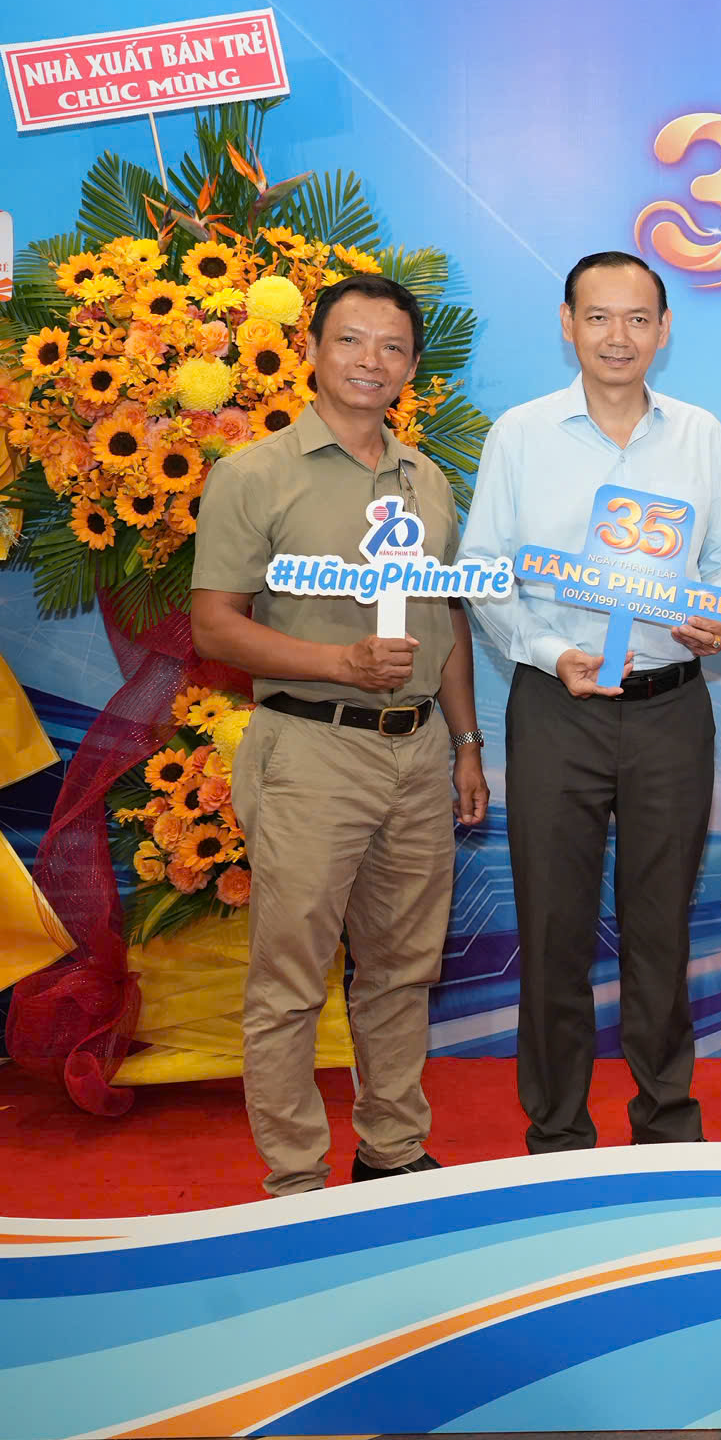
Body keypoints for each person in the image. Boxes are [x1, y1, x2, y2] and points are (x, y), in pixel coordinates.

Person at [192, 273, 488, 1197]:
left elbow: (446, 617)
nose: (371, 361)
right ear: (313, 351)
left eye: (392, 346)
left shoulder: (427, 480)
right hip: (311, 746)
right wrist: (338, 664)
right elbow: (214, 624)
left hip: (419, 750)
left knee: (401, 970)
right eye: (351, 340)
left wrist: (467, 742)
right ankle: (294, 1180)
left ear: (412, 366)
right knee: (291, 979)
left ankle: (392, 1152)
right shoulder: (255, 474)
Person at [457, 251, 721, 1155]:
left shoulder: (700, 434)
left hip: (670, 706)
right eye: (598, 317)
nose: (619, 337)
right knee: (553, 929)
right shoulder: (521, 434)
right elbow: (482, 572)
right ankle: (556, 1135)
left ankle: (666, 1128)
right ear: (567, 323)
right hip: (558, 707)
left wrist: (715, 615)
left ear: (665, 329)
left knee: (661, 930)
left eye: (638, 318)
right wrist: (552, 653)